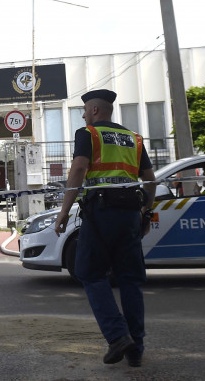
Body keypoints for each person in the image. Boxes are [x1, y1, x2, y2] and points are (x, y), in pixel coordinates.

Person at [53, 89, 156, 368]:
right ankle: (136, 349)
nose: (84, 115)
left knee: (90, 273)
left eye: (85, 110)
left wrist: (64, 212)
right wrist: (147, 213)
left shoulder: (88, 133)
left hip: (101, 213)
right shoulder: (133, 138)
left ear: (95, 111)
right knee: (130, 280)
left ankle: (117, 336)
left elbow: (78, 169)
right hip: (130, 215)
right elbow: (150, 180)